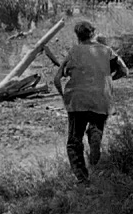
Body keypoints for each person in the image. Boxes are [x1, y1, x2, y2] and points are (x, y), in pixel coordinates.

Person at [53, 21, 128, 184]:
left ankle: (82, 178)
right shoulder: (107, 50)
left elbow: (57, 79)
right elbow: (124, 70)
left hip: (77, 99)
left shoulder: (73, 51)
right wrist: (109, 79)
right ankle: (95, 134)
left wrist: (62, 95)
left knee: (74, 141)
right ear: (93, 33)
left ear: (77, 36)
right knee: (96, 123)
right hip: (101, 98)